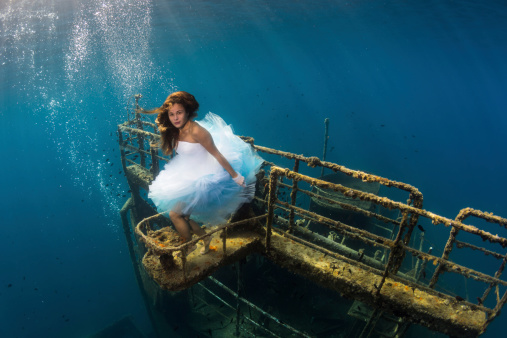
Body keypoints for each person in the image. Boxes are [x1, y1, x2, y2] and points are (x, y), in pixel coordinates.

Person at [144, 91, 263, 255]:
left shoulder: (198, 132)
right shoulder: (175, 129)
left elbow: (217, 154)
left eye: (179, 113)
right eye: (171, 114)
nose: (175, 118)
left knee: (175, 214)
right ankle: (205, 238)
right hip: (188, 173)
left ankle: (189, 245)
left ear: (187, 112)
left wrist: (235, 176)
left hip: (206, 177)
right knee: (184, 216)